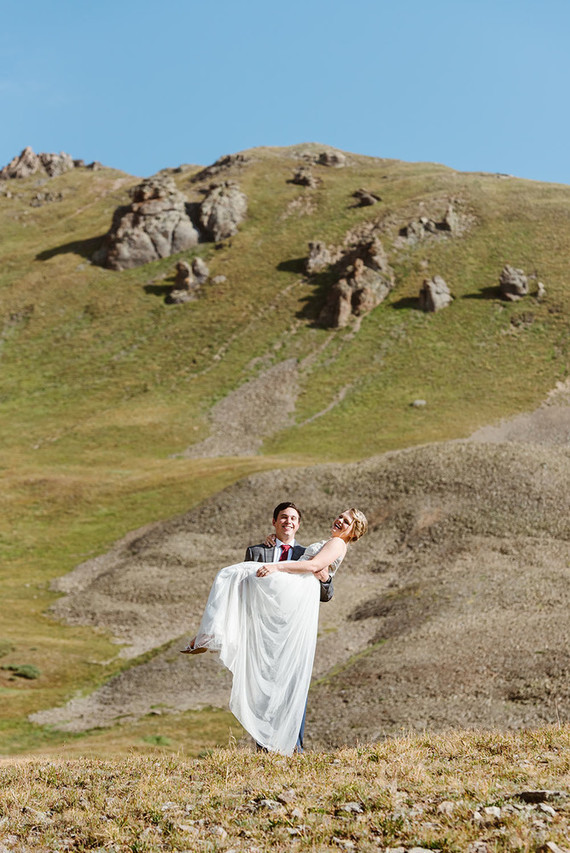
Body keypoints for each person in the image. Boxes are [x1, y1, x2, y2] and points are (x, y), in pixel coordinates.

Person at [181, 507, 368, 756]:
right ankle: (212, 634)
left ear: (353, 531)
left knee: (229, 574)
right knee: (236, 579)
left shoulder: (335, 543)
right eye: (340, 516)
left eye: (346, 521)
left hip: (293, 594)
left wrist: (278, 567)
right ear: (274, 522)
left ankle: (211, 635)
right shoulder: (277, 547)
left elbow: (315, 567)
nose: (339, 520)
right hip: (275, 606)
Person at [243, 501, 333, 752]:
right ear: (274, 522)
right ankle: (264, 748)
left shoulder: (309, 555)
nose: (288, 521)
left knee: (295, 689)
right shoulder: (256, 552)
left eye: (293, 518)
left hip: (294, 634)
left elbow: (327, 594)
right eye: (283, 517)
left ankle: (295, 749)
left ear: (299, 524)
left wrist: (324, 577)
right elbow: (245, 589)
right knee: (263, 691)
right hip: (263, 635)